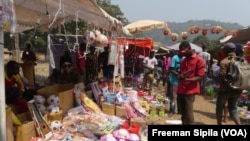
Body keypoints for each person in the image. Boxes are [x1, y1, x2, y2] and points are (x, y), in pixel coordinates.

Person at [177, 41, 205, 125]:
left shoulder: (199, 60)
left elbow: (200, 76)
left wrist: (187, 80)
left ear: (189, 48)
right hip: (181, 89)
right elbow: (181, 73)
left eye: (184, 52)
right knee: (183, 114)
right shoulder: (183, 61)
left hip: (190, 91)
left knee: (189, 115)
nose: (183, 54)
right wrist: (180, 76)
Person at [216, 42, 242, 125]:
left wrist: (221, 87)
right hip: (238, 89)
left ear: (226, 50)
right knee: (233, 108)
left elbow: (222, 76)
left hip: (226, 89)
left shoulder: (224, 62)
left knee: (219, 107)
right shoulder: (241, 60)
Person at [168, 50, 184, 115]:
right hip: (174, 80)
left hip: (182, 82)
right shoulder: (175, 58)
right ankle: (172, 109)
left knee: (180, 97)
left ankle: (180, 110)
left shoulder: (184, 58)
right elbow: (171, 69)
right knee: (173, 97)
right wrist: (178, 75)